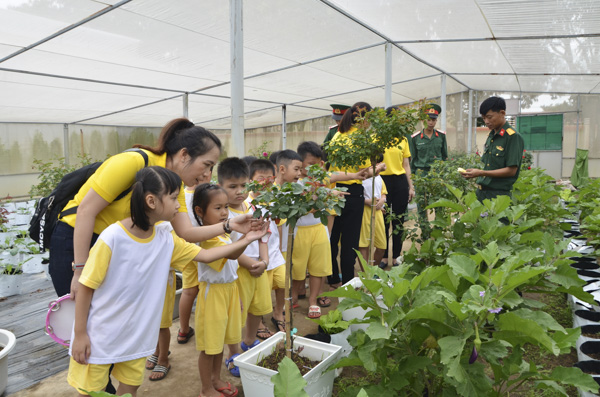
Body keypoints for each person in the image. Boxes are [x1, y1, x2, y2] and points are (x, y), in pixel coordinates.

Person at [68, 167, 266, 397]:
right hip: (100, 336)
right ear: (151, 201)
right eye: (173, 198)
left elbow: (207, 255)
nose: (179, 205)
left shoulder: (165, 237)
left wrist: (245, 236)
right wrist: (80, 333)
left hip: (137, 337)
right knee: (89, 393)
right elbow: (86, 286)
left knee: (127, 392)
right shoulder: (113, 237)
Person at [49, 118, 258, 301]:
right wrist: (79, 270)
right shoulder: (133, 162)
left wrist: (229, 225)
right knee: (79, 314)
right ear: (184, 155)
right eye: (206, 164)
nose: (207, 175)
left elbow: (187, 233)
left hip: (116, 247)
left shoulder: (177, 186)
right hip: (76, 241)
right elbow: (86, 211)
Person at [191, 183, 268, 397]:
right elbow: (232, 255)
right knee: (209, 347)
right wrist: (248, 238)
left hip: (229, 291)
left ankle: (215, 380)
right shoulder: (206, 237)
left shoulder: (224, 234)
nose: (224, 212)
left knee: (220, 343)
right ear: (200, 211)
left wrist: (246, 236)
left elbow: (233, 259)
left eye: (226, 207)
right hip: (214, 295)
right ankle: (206, 389)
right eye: (217, 208)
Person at [217, 158, 272, 377]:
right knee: (235, 313)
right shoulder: (223, 216)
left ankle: (249, 340)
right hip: (237, 271)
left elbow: (263, 236)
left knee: (256, 308)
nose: (239, 191)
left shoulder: (253, 207)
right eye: (232, 187)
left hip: (258, 267)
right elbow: (227, 247)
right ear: (220, 186)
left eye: (243, 185)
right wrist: (251, 264)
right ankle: (234, 352)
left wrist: (264, 262)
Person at [327, 102, 374, 286]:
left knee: (332, 237)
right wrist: (378, 168)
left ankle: (331, 277)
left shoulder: (337, 136)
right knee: (349, 241)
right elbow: (363, 173)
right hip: (353, 192)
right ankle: (347, 281)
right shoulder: (361, 139)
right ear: (365, 118)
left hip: (334, 189)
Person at [247, 159, 285, 336]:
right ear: (250, 180)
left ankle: (278, 312)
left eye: (269, 178)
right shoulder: (246, 205)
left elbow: (278, 226)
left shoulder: (273, 200)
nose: (265, 183)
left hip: (275, 253)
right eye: (260, 178)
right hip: (258, 256)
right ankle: (259, 322)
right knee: (260, 294)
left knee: (283, 282)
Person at [461, 97, 525, 201]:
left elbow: (511, 170)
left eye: (489, 117)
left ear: (502, 113)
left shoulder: (512, 137)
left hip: (498, 196)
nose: (486, 121)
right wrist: (474, 173)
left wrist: (481, 173)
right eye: (484, 118)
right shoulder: (491, 135)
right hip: (482, 193)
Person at [379, 106, 415, 269]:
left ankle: (396, 256)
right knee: (385, 221)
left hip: (400, 182)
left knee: (399, 220)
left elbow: (406, 165)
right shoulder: (377, 138)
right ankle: (385, 256)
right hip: (382, 181)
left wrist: (411, 186)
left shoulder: (403, 139)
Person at [272, 149, 304, 330]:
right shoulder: (271, 192)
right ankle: (262, 317)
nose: (300, 174)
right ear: (282, 169)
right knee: (269, 283)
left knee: (284, 282)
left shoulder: (294, 190)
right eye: (296, 169)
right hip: (273, 248)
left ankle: (278, 311)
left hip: (286, 246)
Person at [409, 103, 448, 238]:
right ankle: (425, 233)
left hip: (437, 173)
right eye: (428, 119)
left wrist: (445, 175)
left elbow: (445, 156)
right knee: (421, 204)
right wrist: (413, 180)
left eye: (434, 120)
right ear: (423, 120)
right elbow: (413, 160)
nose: (431, 123)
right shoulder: (414, 138)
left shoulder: (441, 136)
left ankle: (438, 232)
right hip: (421, 173)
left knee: (439, 203)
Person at [358, 174, 388, 267]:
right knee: (364, 244)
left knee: (382, 246)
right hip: (364, 211)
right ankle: (367, 274)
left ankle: (373, 270)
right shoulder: (360, 176)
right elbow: (355, 196)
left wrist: (382, 200)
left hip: (377, 212)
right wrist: (366, 201)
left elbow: (383, 192)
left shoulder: (378, 176)